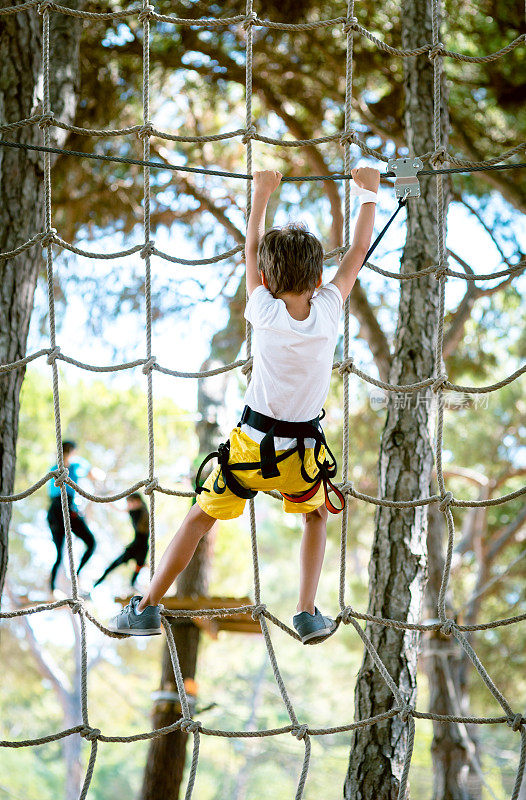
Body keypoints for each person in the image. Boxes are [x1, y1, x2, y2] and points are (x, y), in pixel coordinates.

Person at [108, 166, 380, 643]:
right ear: (319, 277)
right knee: (315, 517)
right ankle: (306, 611)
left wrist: (261, 193)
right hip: (302, 456)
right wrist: (367, 192)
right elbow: (357, 251)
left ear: (266, 280)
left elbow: (250, 249)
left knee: (198, 518)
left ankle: (147, 605)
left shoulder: (263, 309)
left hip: (251, 450)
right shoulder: (330, 308)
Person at [47, 440, 97, 592]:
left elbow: (91, 473)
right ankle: (57, 585)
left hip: (61, 510)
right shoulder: (68, 467)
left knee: (63, 553)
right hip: (62, 509)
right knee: (87, 544)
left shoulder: (65, 468)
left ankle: (67, 579)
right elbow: (93, 474)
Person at [93, 493, 149, 588]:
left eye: (130, 503)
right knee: (114, 565)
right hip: (137, 546)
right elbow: (121, 510)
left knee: (137, 569)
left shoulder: (143, 513)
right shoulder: (135, 511)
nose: (129, 506)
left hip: (141, 547)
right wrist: (109, 503)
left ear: (137, 501)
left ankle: (132, 586)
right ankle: (96, 584)